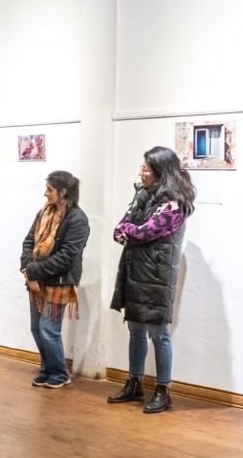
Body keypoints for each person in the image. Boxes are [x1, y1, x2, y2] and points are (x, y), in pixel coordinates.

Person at [108, 146, 196, 413]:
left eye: (145, 169)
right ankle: (134, 382)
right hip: (136, 272)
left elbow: (144, 232)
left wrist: (130, 231)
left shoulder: (174, 204)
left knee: (159, 334)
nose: (141, 173)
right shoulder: (143, 196)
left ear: (160, 172)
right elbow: (119, 230)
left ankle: (163, 389)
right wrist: (130, 230)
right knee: (135, 329)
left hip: (157, 276)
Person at [20, 171, 90, 388]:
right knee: (36, 328)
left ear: (63, 192)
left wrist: (33, 272)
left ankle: (59, 374)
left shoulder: (78, 219)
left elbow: (67, 257)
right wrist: (27, 270)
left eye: (49, 189)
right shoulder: (43, 212)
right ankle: (47, 369)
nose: (45, 193)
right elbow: (28, 242)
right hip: (36, 281)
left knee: (48, 329)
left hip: (58, 282)